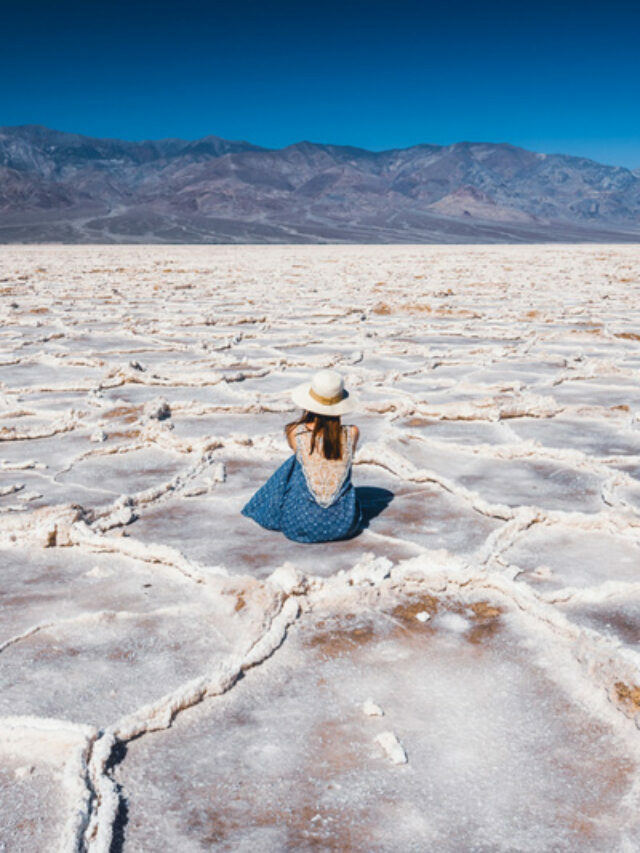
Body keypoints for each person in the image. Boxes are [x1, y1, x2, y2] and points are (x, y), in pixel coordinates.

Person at [241, 369, 363, 542]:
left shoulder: (294, 431)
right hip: (344, 526)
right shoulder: (352, 432)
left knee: (293, 463)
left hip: (298, 525)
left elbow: (303, 454)